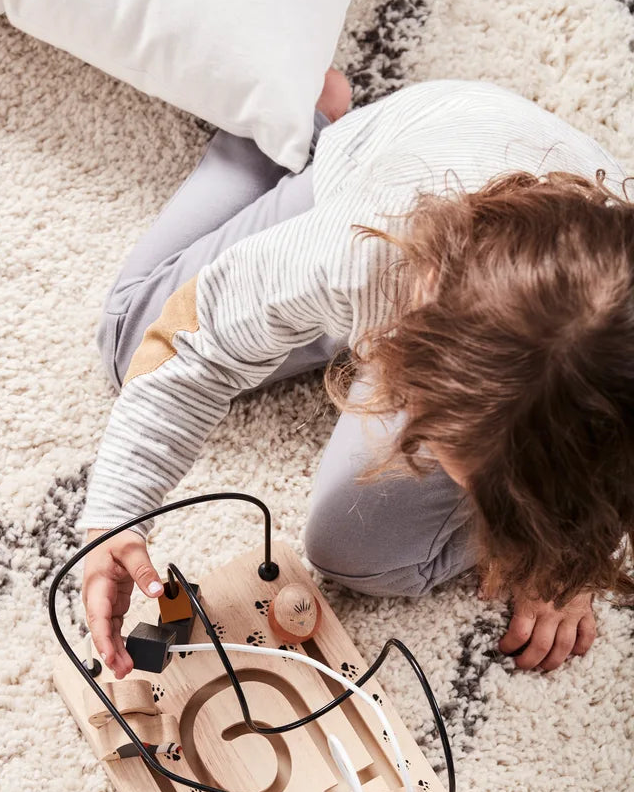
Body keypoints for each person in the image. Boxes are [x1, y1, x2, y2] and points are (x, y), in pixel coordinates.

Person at [79, 74, 633, 680]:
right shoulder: (353, 255)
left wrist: (562, 557)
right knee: (130, 345)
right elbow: (194, 347)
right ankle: (293, 118)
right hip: (390, 160)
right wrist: (115, 517)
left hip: (542, 336)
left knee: (355, 551)